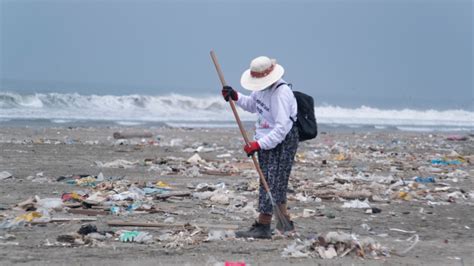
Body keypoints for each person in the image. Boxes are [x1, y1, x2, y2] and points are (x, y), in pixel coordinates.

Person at [221, 56, 298, 239]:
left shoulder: (281, 93)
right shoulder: (261, 89)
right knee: (270, 181)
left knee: (273, 183)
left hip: (283, 141)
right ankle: (285, 224)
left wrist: (258, 144)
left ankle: (263, 225)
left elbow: (282, 128)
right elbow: (253, 105)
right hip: (266, 137)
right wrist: (235, 96)